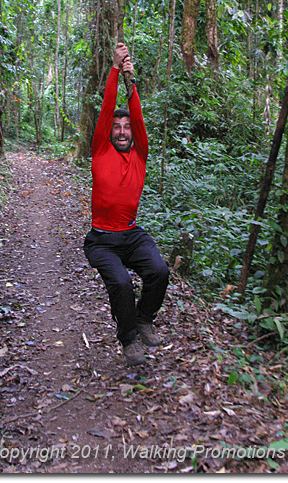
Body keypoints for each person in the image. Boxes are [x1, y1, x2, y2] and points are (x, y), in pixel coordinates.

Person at [83, 42, 170, 366]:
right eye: (116, 128)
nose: (121, 131)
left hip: (131, 235)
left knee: (159, 271)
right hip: (102, 240)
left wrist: (131, 80)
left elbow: (137, 116)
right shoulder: (100, 151)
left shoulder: (140, 155)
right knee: (120, 282)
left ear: (133, 133)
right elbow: (107, 109)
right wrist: (116, 68)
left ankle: (144, 318)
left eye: (126, 128)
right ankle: (129, 338)